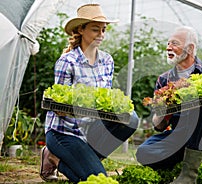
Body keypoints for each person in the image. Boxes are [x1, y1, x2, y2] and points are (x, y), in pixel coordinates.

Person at [39, 4, 139, 183]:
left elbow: (105, 100)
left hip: (91, 130)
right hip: (64, 132)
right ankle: (53, 155)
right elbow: (59, 105)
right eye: (95, 29)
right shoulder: (67, 61)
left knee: (130, 119)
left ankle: (81, 158)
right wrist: (66, 108)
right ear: (81, 29)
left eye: (103, 30)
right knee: (97, 178)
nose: (101, 34)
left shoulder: (107, 60)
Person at [135, 26, 202, 183]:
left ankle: (188, 176)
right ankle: (181, 167)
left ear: (190, 48)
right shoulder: (164, 80)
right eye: (168, 43)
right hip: (178, 137)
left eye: (174, 43)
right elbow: (158, 126)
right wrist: (164, 110)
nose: (168, 47)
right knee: (144, 152)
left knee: (198, 103)